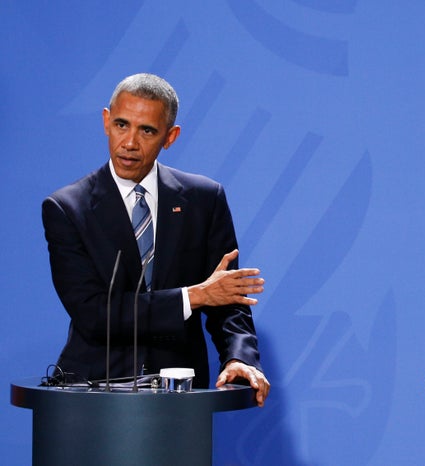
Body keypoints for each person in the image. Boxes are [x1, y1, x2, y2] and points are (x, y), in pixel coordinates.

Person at [42, 73, 270, 406]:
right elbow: (93, 313)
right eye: (122, 125)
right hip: (92, 395)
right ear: (106, 121)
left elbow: (226, 297)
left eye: (147, 130)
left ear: (170, 136)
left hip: (180, 397)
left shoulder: (204, 199)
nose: (130, 143)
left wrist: (239, 356)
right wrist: (193, 297)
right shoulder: (67, 208)